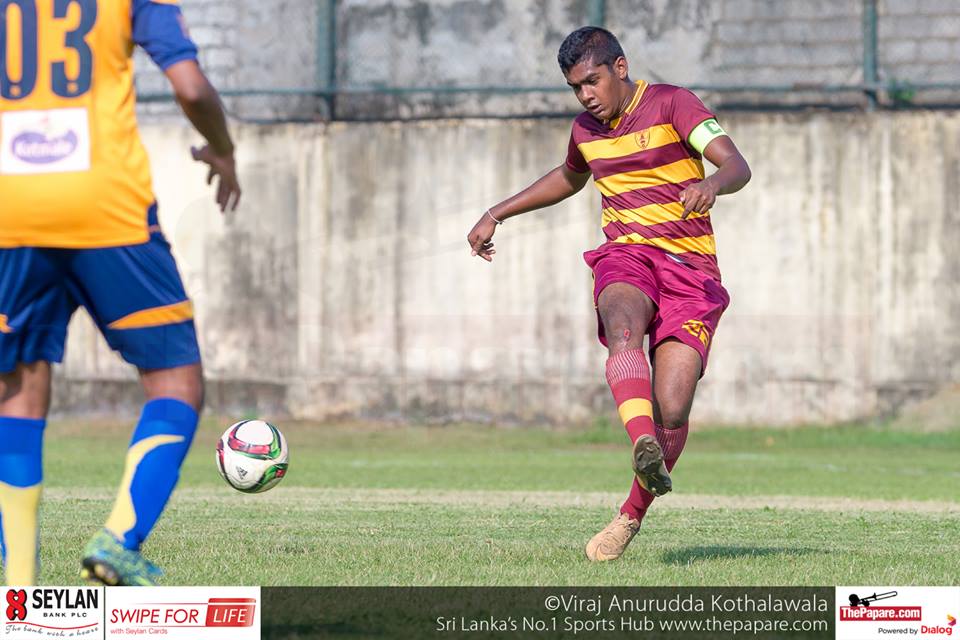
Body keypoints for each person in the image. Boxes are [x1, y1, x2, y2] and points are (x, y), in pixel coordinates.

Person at [467, 26, 751, 561]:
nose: (586, 96)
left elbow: (736, 164)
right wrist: (495, 212)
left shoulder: (674, 104)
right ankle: (641, 441)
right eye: (576, 88)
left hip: (691, 272)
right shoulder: (584, 130)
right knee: (622, 326)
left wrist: (712, 184)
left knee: (673, 407)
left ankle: (630, 514)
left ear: (619, 69)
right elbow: (570, 178)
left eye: (592, 81)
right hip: (628, 255)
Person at [0, 0, 240, 585]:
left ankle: (18, 588)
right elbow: (190, 87)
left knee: (17, 390)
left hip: (12, 208)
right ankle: (120, 538)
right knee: (175, 379)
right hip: (106, 210)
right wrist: (224, 150)